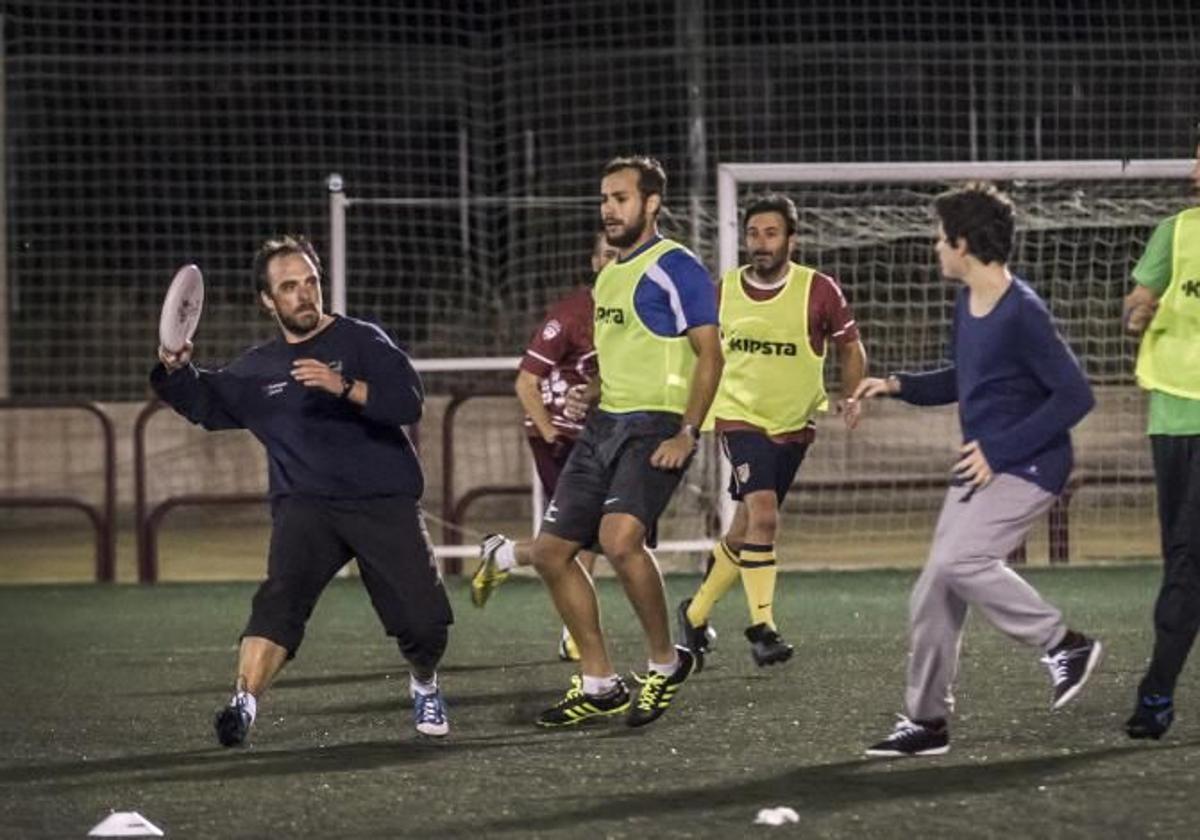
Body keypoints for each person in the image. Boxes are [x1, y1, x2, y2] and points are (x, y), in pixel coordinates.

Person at [151, 234, 453, 746]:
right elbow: (205, 402)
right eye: (289, 287)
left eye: (310, 281)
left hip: (383, 501)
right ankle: (243, 704)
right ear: (268, 301)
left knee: (424, 624)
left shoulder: (362, 340)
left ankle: (424, 681)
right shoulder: (258, 369)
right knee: (279, 601)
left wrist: (346, 388)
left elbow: (408, 401)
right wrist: (176, 368)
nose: (304, 293)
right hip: (307, 506)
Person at [852, 182, 1102, 757]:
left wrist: (999, 449)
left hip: (1032, 465)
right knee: (934, 589)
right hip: (986, 463)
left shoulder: (1023, 312)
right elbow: (965, 378)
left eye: (940, 239)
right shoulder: (968, 302)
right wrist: (896, 385)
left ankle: (1064, 645)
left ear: (963, 243)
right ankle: (926, 722)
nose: (935, 248)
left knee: (961, 561)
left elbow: (1074, 397)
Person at [500, 155, 722, 728]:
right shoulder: (611, 275)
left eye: (620, 198)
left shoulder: (678, 267)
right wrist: (589, 392)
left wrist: (687, 430)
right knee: (551, 553)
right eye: (604, 198)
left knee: (619, 540)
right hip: (604, 425)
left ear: (651, 204)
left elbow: (710, 354)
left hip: (655, 425)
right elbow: (619, 357)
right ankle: (599, 683)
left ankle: (665, 662)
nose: (608, 209)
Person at [676, 193, 866, 670]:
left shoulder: (819, 290)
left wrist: (853, 393)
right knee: (763, 516)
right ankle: (763, 627)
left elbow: (850, 347)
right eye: (753, 234)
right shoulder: (722, 291)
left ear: (791, 239)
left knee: (746, 527)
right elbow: (695, 353)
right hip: (739, 418)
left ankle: (695, 614)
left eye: (771, 234)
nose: (760, 244)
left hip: (794, 425)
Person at [470, 231, 620, 662]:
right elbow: (525, 382)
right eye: (607, 255)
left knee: (593, 535)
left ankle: (505, 554)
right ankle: (574, 632)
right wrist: (552, 436)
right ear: (594, 262)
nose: (614, 262)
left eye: (621, 255)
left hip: (601, 436)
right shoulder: (572, 313)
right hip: (561, 436)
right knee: (582, 535)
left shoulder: (632, 312)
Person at [1121, 134, 1200, 741]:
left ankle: (1156, 692)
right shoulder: (1176, 232)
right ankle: (1159, 690)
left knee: (1187, 561)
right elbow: (1139, 301)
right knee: (1182, 556)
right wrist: (1137, 313)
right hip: (1174, 416)